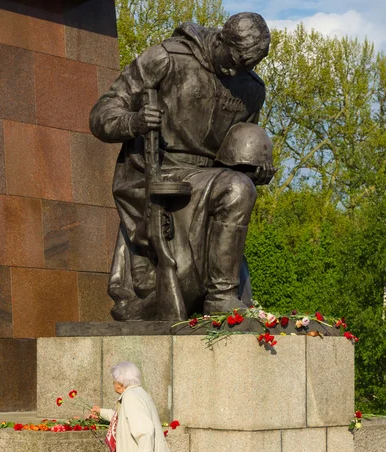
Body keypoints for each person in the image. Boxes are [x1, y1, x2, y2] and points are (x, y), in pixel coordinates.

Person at [89, 12, 274, 321]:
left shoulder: (252, 88)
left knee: (241, 186)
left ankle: (217, 294)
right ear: (220, 39)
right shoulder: (167, 57)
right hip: (157, 174)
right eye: (232, 60)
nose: (234, 71)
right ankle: (220, 297)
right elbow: (101, 114)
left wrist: (254, 168)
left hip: (212, 178)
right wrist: (132, 121)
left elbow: (234, 153)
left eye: (246, 67)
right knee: (236, 188)